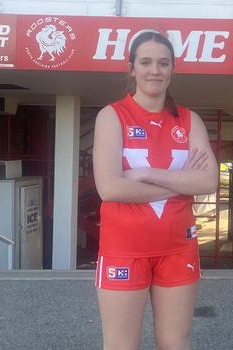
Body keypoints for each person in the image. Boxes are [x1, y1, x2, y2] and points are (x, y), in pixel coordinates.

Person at [92, 30, 218, 350]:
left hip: (178, 247)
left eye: (163, 63)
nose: (155, 70)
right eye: (145, 62)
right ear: (132, 68)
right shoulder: (112, 116)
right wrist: (181, 183)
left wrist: (147, 174)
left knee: (175, 342)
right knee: (121, 344)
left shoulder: (190, 121)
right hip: (124, 248)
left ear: (172, 69)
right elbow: (109, 188)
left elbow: (208, 182)